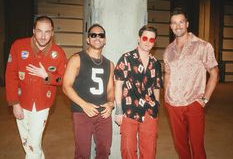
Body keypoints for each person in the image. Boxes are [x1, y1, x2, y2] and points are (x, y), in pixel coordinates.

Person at [5, 16, 67, 159]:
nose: (43, 36)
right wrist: (14, 103)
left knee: (33, 142)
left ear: (52, 33)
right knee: (27, 141)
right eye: (39, 31)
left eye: (47, 32)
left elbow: (63, 79)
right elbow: (10, 75)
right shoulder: (18, 46)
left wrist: (47, 76)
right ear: (33, 31)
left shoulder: (58, 54)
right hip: (21, 101)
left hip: (42, 105)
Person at [163, 8, 219, 159]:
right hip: (173, 104)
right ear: (170, 26)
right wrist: (166, 97)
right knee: (180, 145)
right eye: (174, 23)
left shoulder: (203, 46)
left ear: (187, 24)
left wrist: (205, 99)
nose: (178, 25)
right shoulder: (168, 50)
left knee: (197, 145)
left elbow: (214, 74)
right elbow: (167, 74)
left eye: (181, 22)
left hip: (194, 103)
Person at [62, 24, 114, 159]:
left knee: (104, 151)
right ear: (88, 39)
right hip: (82, 112)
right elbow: (66, 86)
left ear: (105, 40)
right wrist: (84, 105)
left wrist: (110, 103)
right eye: (93, 35)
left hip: (103, 114)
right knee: (82, 153)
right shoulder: (76, 59)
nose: (97, 38)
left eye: (101, 35)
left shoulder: (109, 64)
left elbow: (110, 88)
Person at [114, 25, 163, 159]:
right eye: (145, 38)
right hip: (129, 110)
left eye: (152, 40)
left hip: (149, 110)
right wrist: (118, 110)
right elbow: (118, 85)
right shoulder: (126, 58)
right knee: (128, 150)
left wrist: (156, 106)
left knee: (149, 150)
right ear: (139, 38)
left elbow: (157, 86)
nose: (148, 42)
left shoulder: (155, 63)